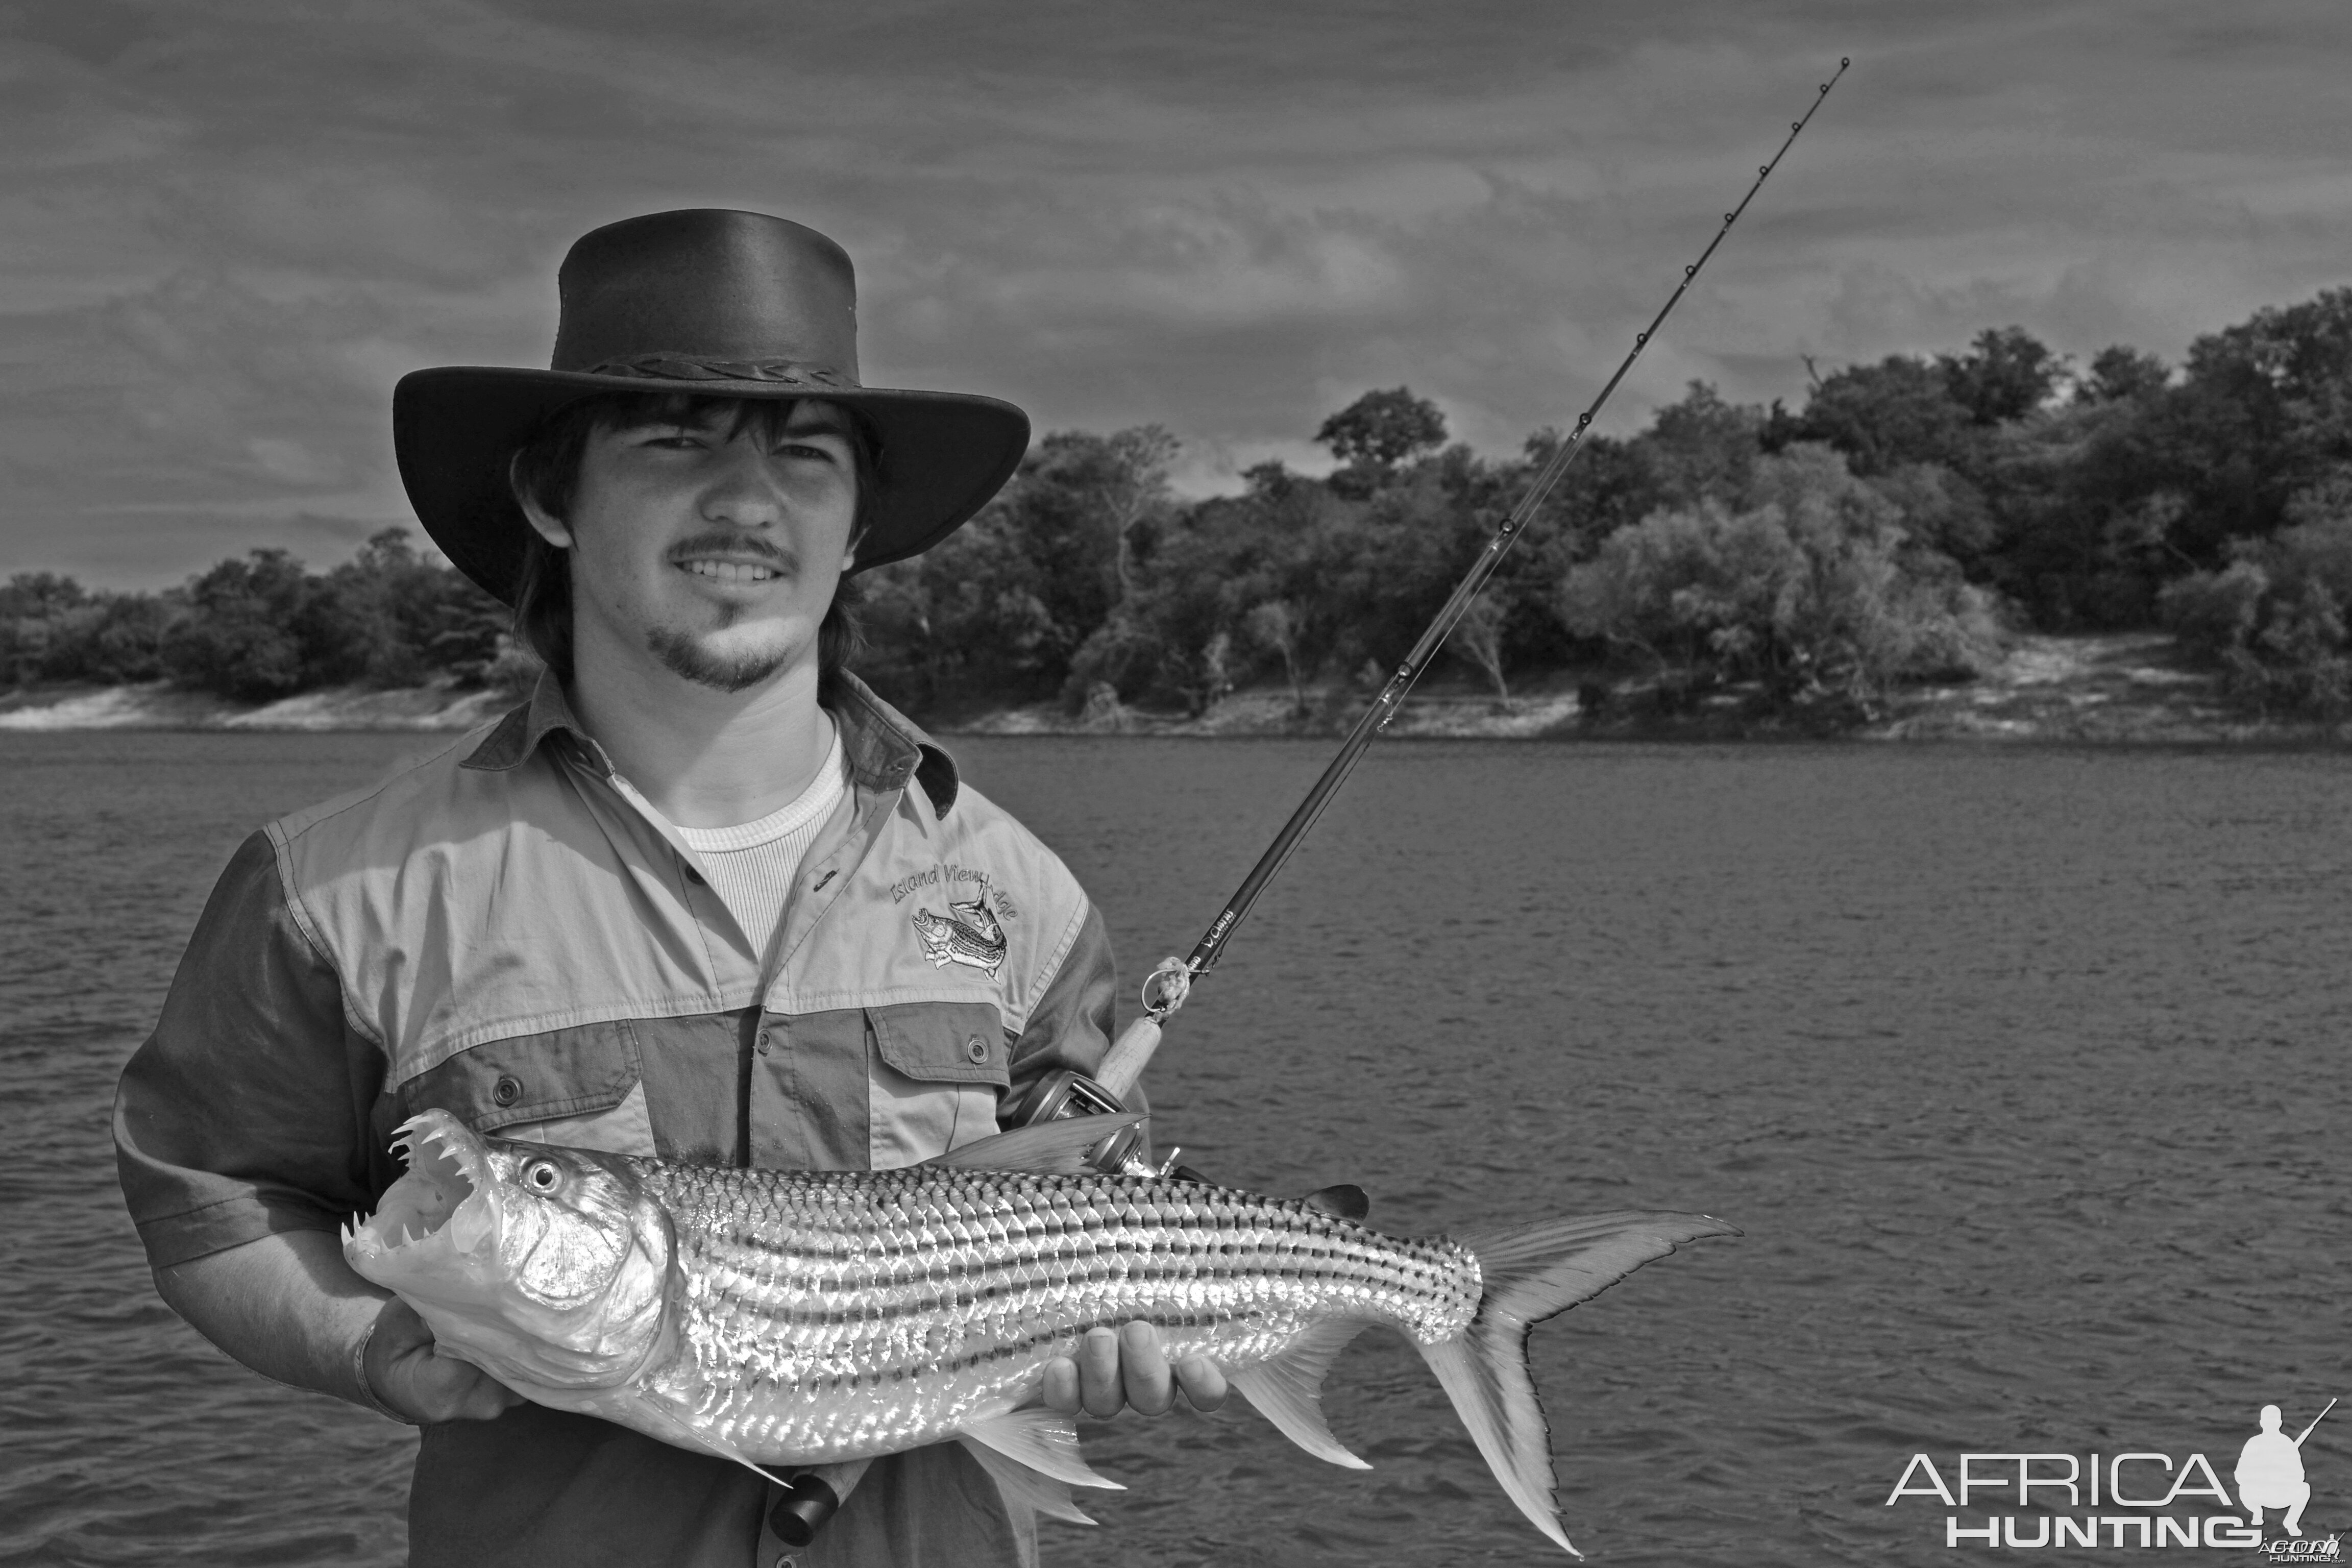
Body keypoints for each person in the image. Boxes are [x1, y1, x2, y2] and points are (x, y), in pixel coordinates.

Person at [114, 208, 1223, 1568]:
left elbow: (1099, 1160)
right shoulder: (332, 890)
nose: (747, 502)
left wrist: (1123, 1328)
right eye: (674, 438)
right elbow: (208, 1201)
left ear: (858, 515)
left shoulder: (1023, 888)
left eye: (804, 452)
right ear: (549, 494)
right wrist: (372, 1346)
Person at [2236, 1403, 2313, 1536]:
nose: (2271, 1424)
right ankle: (2257, 1512)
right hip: (2257, 1494)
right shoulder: (2253, 1443)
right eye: (2268, 1420)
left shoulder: (2288, 1444)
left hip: (2281, 1494)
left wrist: (2282, 1473)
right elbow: (2239, 1474)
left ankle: (2291, 1522)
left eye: (2274, 1420)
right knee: (2244, 1488)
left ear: (2280, 1423)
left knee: (2305, 1488)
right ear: (2261, 1423)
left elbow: (2300, 1476)